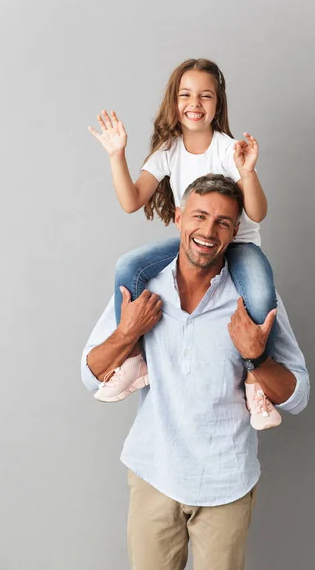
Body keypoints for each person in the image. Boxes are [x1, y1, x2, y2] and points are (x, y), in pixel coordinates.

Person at [81, 174, 310, 570]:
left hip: (226, 482)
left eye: (222, 222)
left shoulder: (255, 301)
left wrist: (257, 358)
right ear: (179, 218)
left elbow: (299, 395)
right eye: (199, 216)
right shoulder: (142, 287)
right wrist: (127, 333)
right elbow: (91, 375)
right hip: (154, 473)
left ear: (235, 231)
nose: (208, 231)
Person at [87, 59, 278, 425]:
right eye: (186, 95)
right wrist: (116, 156)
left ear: (217, 105)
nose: (195, 103)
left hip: (236, 246)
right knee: (129, 266)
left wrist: (248, 172)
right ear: (174, 102)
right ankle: (133, 360)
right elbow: (131, 201)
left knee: (261, 290)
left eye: (206, 96)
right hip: (192, 247)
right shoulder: (168, 151)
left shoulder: (227, 149)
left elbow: (257, 212)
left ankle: (256, 384)